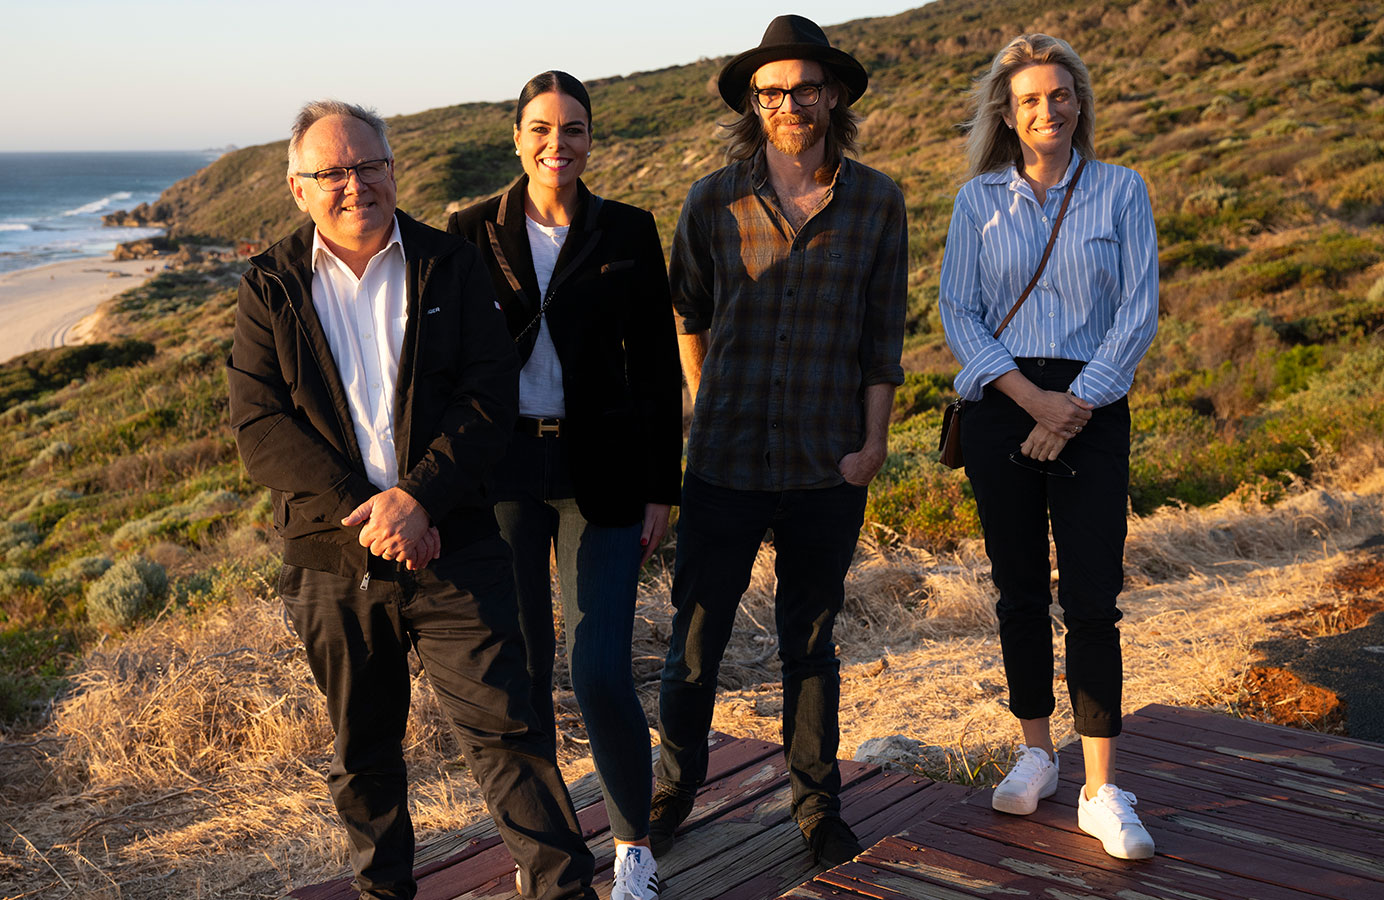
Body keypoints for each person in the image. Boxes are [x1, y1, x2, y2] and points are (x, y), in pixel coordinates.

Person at [227, 99, 597, 900]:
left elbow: (489, 396)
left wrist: (419, 500)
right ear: (299, 188)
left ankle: (564, 890)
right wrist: (374, 512)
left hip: (455, 544)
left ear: (394, 170)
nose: (354, 183)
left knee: (511, 735)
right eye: (332, 172)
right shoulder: (270, 285)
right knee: (363, 751)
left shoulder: (448, 264)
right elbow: (259, 426)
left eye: (369, 165)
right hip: (333, 561)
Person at [648, 15, 908, 868]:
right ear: (752, 104)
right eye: (772, 91)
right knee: (696, 641)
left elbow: (882, 339)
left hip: (827, 464)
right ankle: (672, 791)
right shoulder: (710, 199)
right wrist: (702, 399)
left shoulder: (877, 201)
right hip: (724, 461)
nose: (790, 103)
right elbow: (687, 310)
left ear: (833, 95)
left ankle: (816, 808)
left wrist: (871, 447)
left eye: (804, 88)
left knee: (811, 645)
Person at [446, 70, 682, 900]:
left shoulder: (628, 230)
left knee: (601, 671)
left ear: (591, 139)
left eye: (574, 129)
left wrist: (663, 489)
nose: (558, 144)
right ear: (516, 136)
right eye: (541, 128)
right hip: (501, 471)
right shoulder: (469, 230)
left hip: (604, 475)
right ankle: (545, 845)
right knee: (523, 666)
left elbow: (655, 368)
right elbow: (447, 366)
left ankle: (632, 847)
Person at [937, 34, 1160, 860]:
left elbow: (1138, 312)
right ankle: (1037, 750)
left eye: (1060, 95)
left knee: (1094, 598)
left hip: (1093, 407)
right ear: (1007, 110)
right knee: (1019, 590)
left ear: (1080, 103)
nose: (1047, 110)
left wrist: (1075, 404)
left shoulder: (1121, 190)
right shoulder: (975, 202)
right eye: (1029, 99)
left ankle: (1103, 788)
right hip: (1004, 404)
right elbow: (957, 310)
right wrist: (1031, 399)